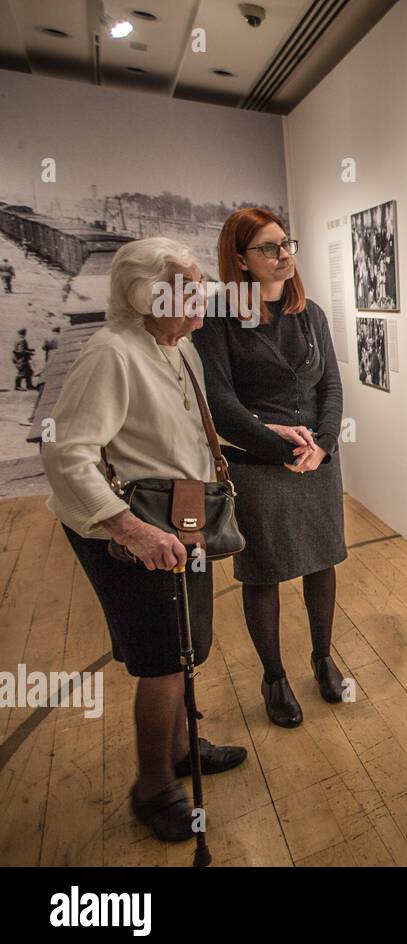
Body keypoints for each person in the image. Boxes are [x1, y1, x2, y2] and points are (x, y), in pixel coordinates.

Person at [40, 237, 247, 843]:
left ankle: (182, 750)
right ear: (143, 294)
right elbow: (66, 454)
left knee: (188, 647)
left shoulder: (181, 350)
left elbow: (197, 428)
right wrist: (128, 530)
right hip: (135, 523)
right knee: (161, 661)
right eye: (185, 289)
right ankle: (154, 787)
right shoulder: (112, 353)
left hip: (186, 517)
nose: (199, 301)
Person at [192, 208, 346, 729]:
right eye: (269, 248)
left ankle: (323, 658)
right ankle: (274, 677)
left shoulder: (310, 314)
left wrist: (322, 444)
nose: (285, 256)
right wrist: (280, 447)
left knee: (322, 560)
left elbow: (331, 387)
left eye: (286, 244)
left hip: (315, 461)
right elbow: (221, 401)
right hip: (257, 462)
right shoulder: (218, 319)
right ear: (239, 258)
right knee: (264, 572)